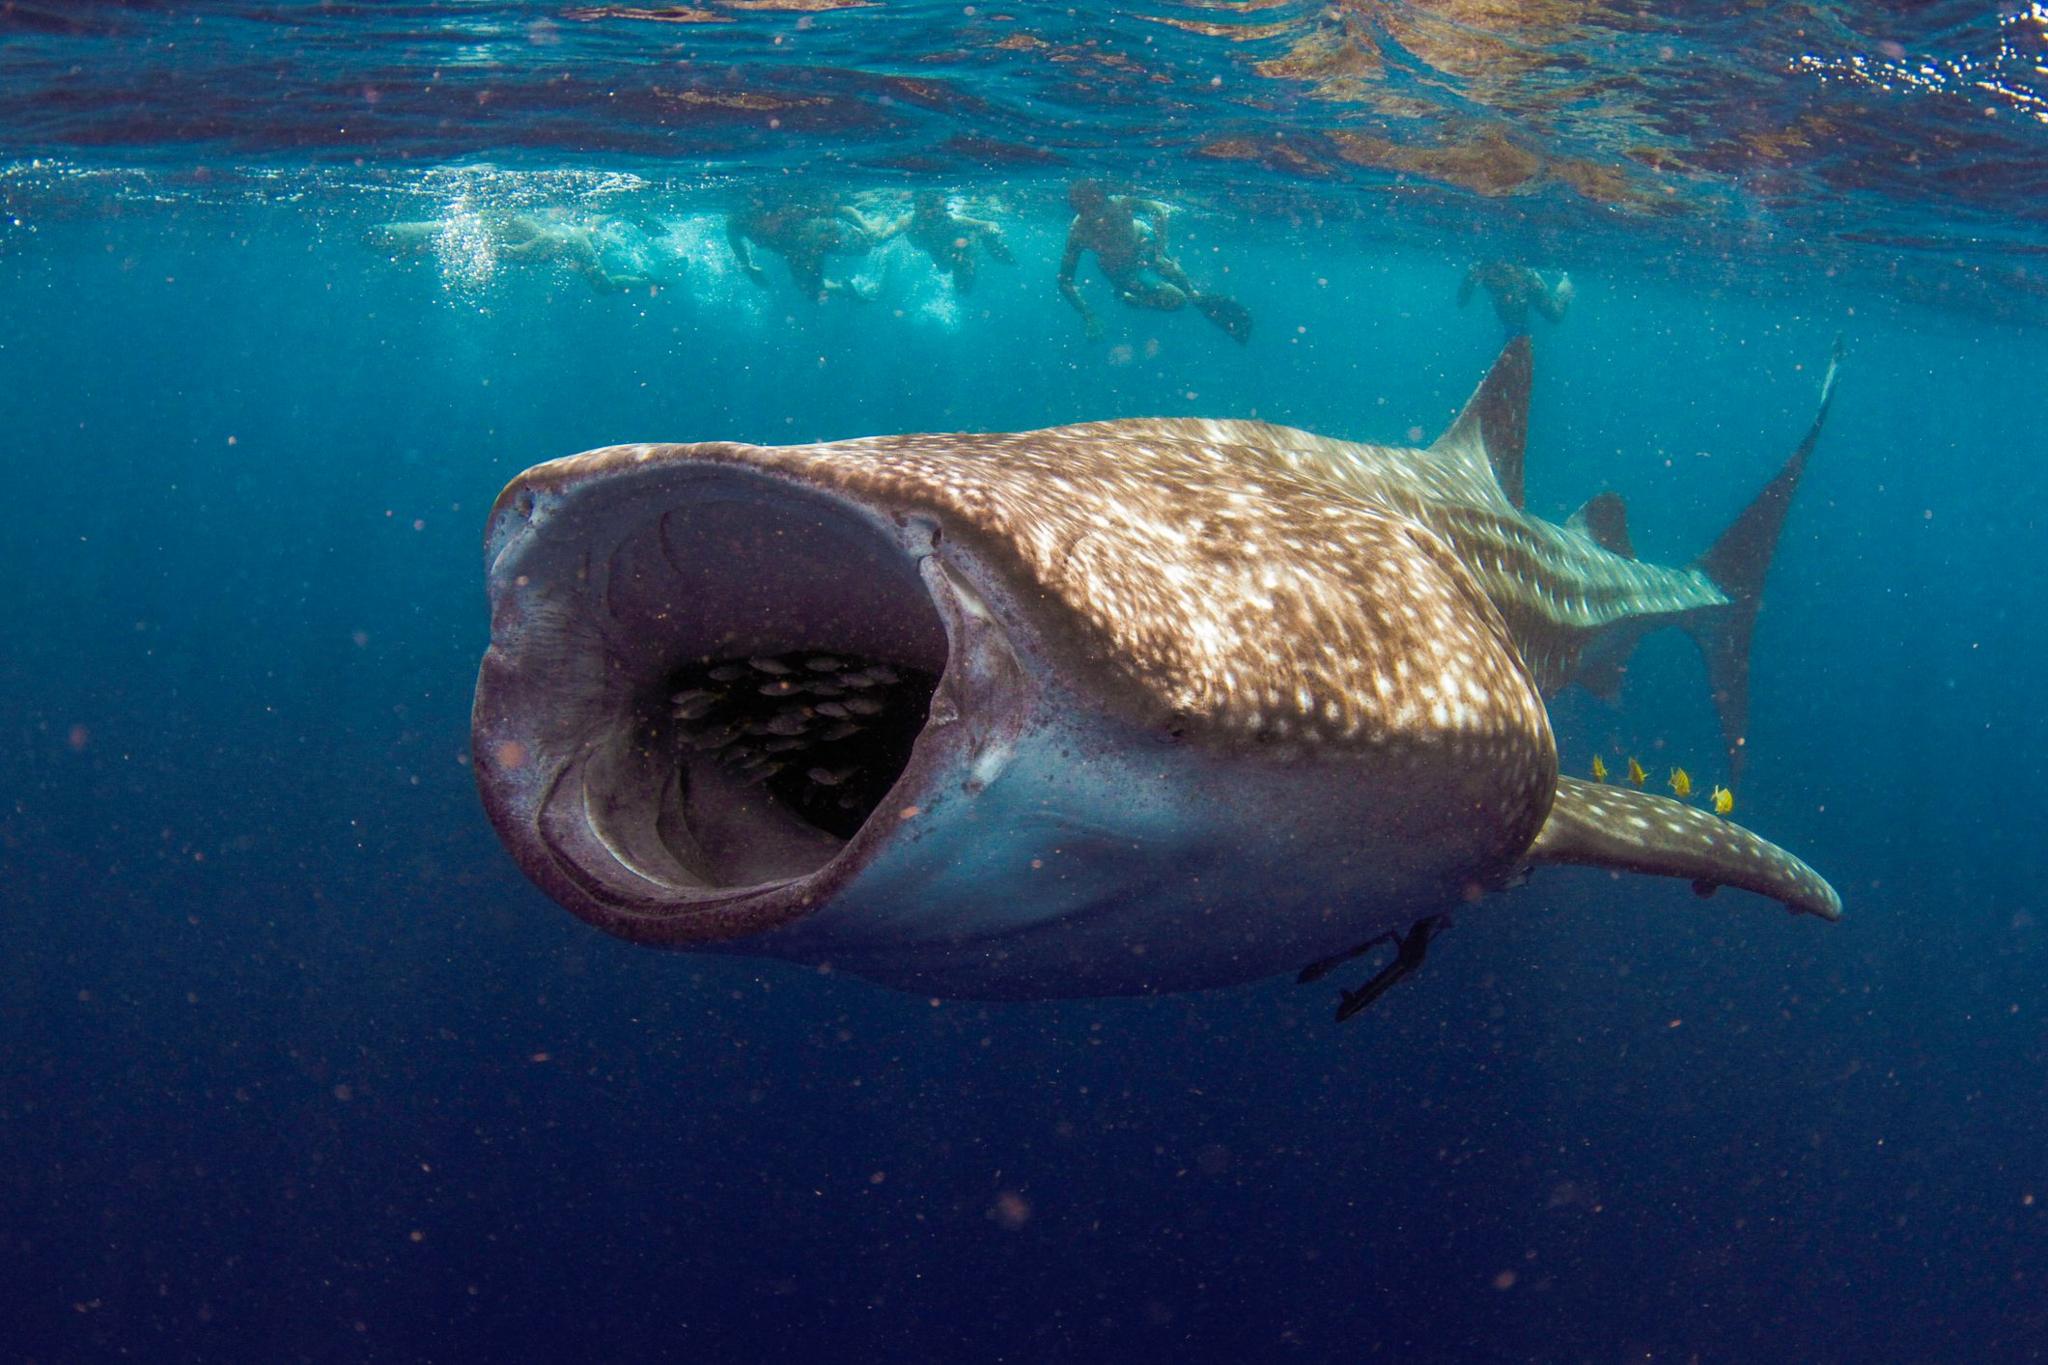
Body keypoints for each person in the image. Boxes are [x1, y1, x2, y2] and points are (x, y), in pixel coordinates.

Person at [1056, 179, 1252, 344]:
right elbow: (1064, 281)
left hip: (1145, 245)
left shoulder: (1121, 203)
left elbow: (1157, 210)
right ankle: (1132, 297)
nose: (1099, 218)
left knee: (1188, 290)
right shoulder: (1078, 233)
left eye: (1098, 204)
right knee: (1178, 300)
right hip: (1121, 269)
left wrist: (1158, 250)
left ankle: (1208, 306)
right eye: (1087, 208)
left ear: (1104, 197)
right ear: (1078, 208)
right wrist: (1088, 315)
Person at [725, 187, 901, 302]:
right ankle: (845, 290)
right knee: (810, 292)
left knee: (869, 244)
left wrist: (866, 226)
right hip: (799, 250)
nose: (761, 225)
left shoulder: (788, 211)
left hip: (825, 234)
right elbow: (733, 238)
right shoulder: (737, 221)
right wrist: (748, 266)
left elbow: (842, 209)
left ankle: (886, 217)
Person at [1458, 260, 1574, 335]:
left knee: (1555, 316)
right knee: (1513, 326)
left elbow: (1517, 282)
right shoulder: (1478, 269)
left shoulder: (1510, 269)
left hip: (1530, 284)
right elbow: (1462, 298)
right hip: (1505, 295)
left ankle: (1565, 287)